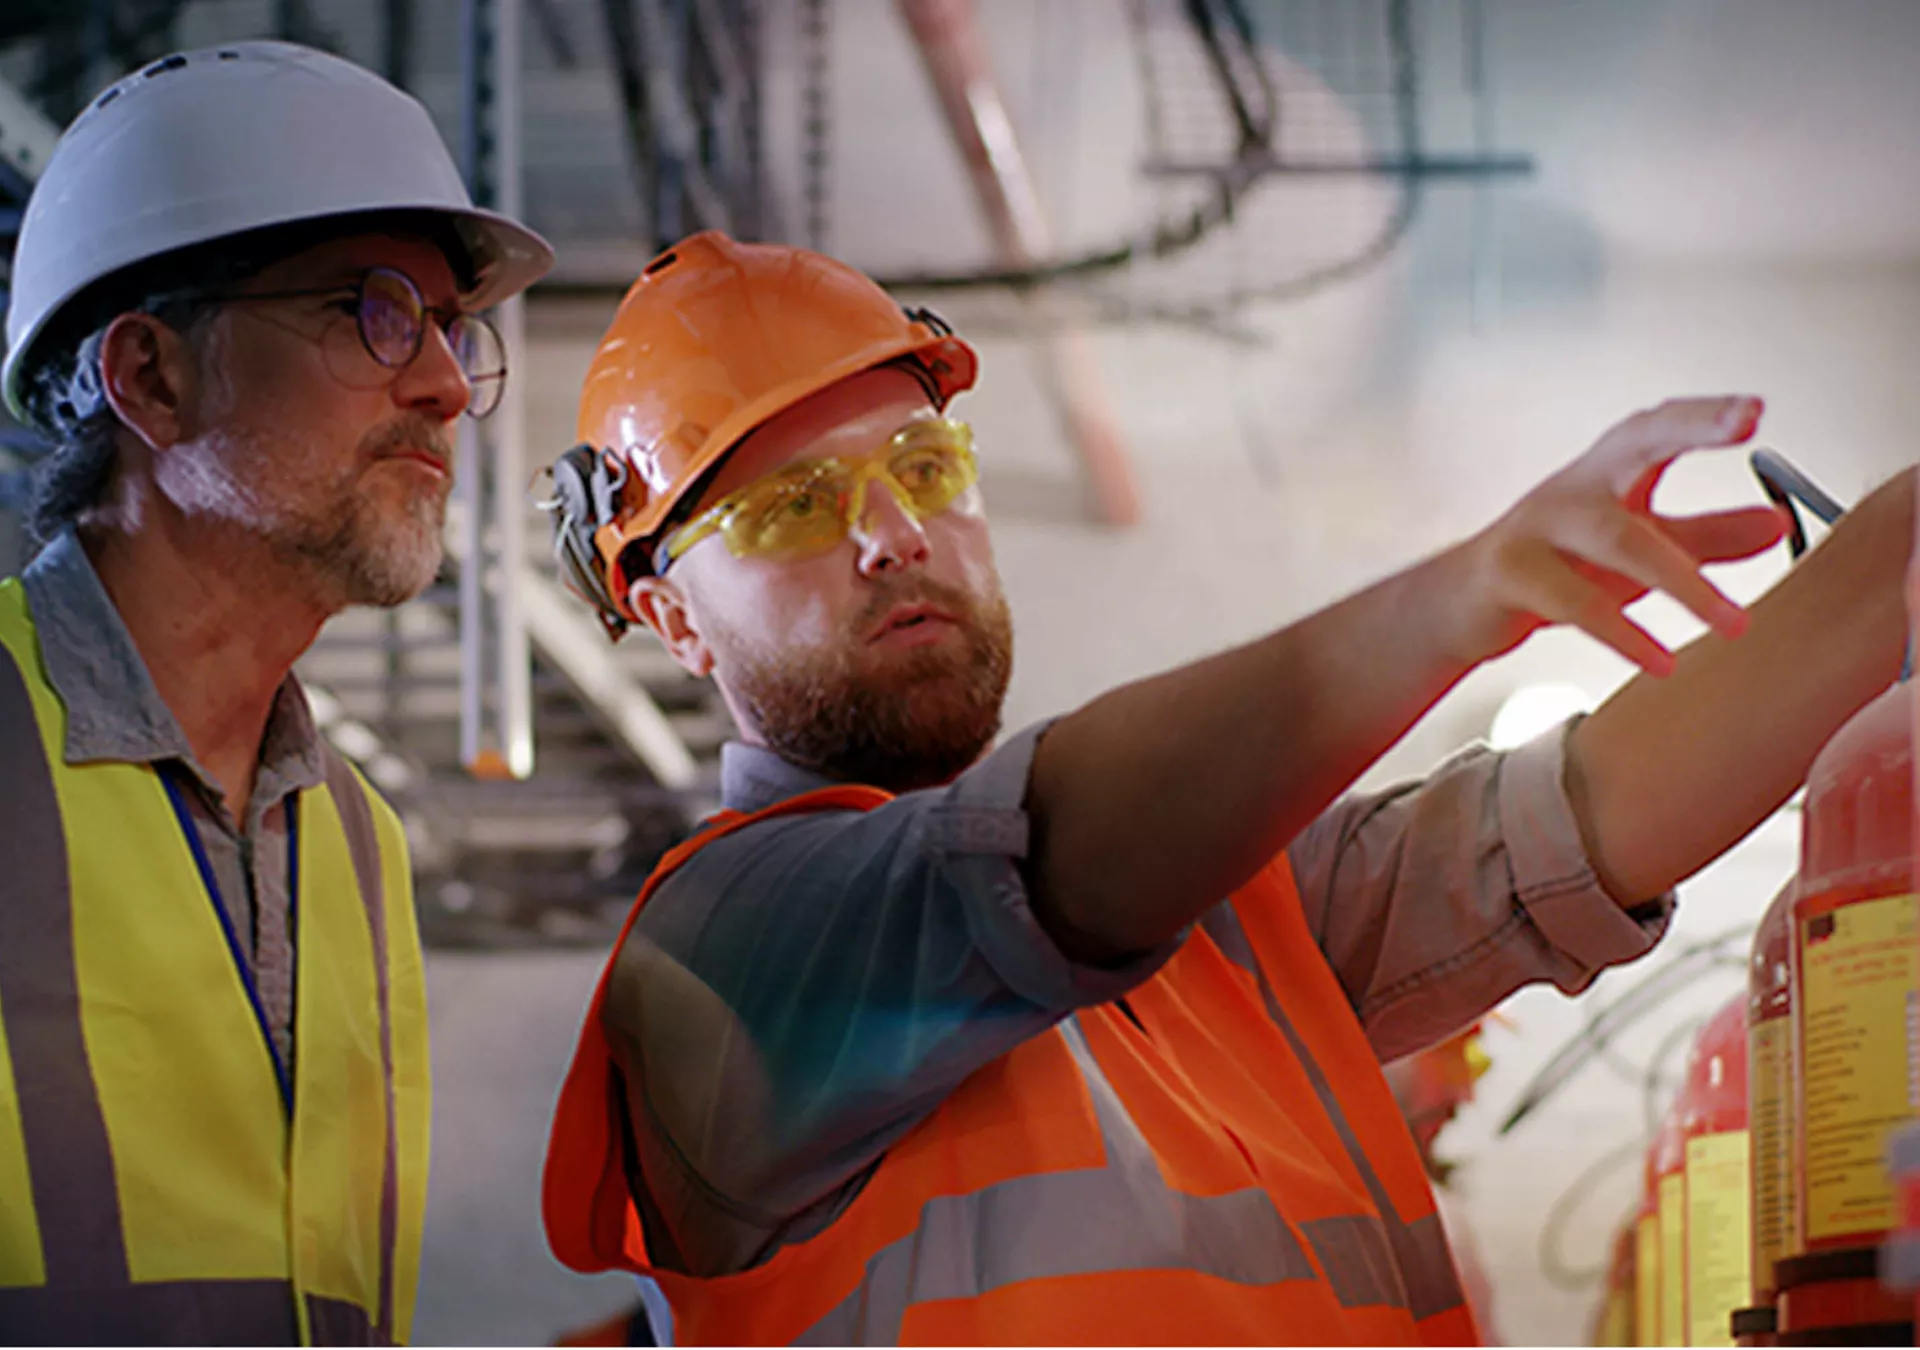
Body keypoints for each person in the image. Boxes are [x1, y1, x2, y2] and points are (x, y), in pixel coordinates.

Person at [539, 230, 1911, 1345]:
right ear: (674, 622)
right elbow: (1044, 859)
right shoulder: (722, 966)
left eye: (922, 465)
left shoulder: (1240, 909)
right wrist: (1454, 599)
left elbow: (1586, 816)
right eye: (793, 507)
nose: (894, 534)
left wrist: (1897, 562)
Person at [0, 41, 551, 1344]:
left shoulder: (358, 841)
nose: (449, 385)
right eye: (369, 311)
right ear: (148, 377)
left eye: (452, 328)